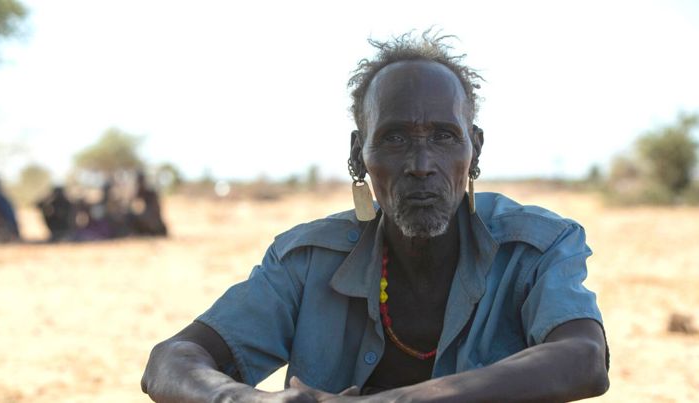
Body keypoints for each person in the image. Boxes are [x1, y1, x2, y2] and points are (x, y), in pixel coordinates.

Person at [142, 31, 609, 402]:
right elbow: (170, 361)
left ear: (476, 149)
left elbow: (584, 359)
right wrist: (244, 399)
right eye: (395, 138)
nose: (421, 164)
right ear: (358, 156)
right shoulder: (305, 262)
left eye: (444, 137)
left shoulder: (536, 247)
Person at [128, 172, 168, 237]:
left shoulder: (150, 193)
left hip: (154, 222)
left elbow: (155, 210)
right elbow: (131, 203)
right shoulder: (140, 192)